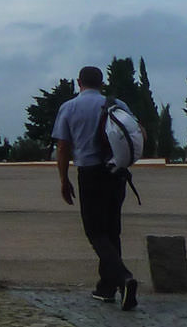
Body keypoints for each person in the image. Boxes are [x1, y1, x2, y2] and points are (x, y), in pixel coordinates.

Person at [54, 66, 137, 310]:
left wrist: (63, 179)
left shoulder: (69, 107)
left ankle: (124, 278)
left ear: (78, 82)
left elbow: (63, 147)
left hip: (89, 173)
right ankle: (107, 287)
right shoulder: (117, 104)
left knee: (94, 231)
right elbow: (137, 133)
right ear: (102, 82)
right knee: (112, 230)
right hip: (116, 172)